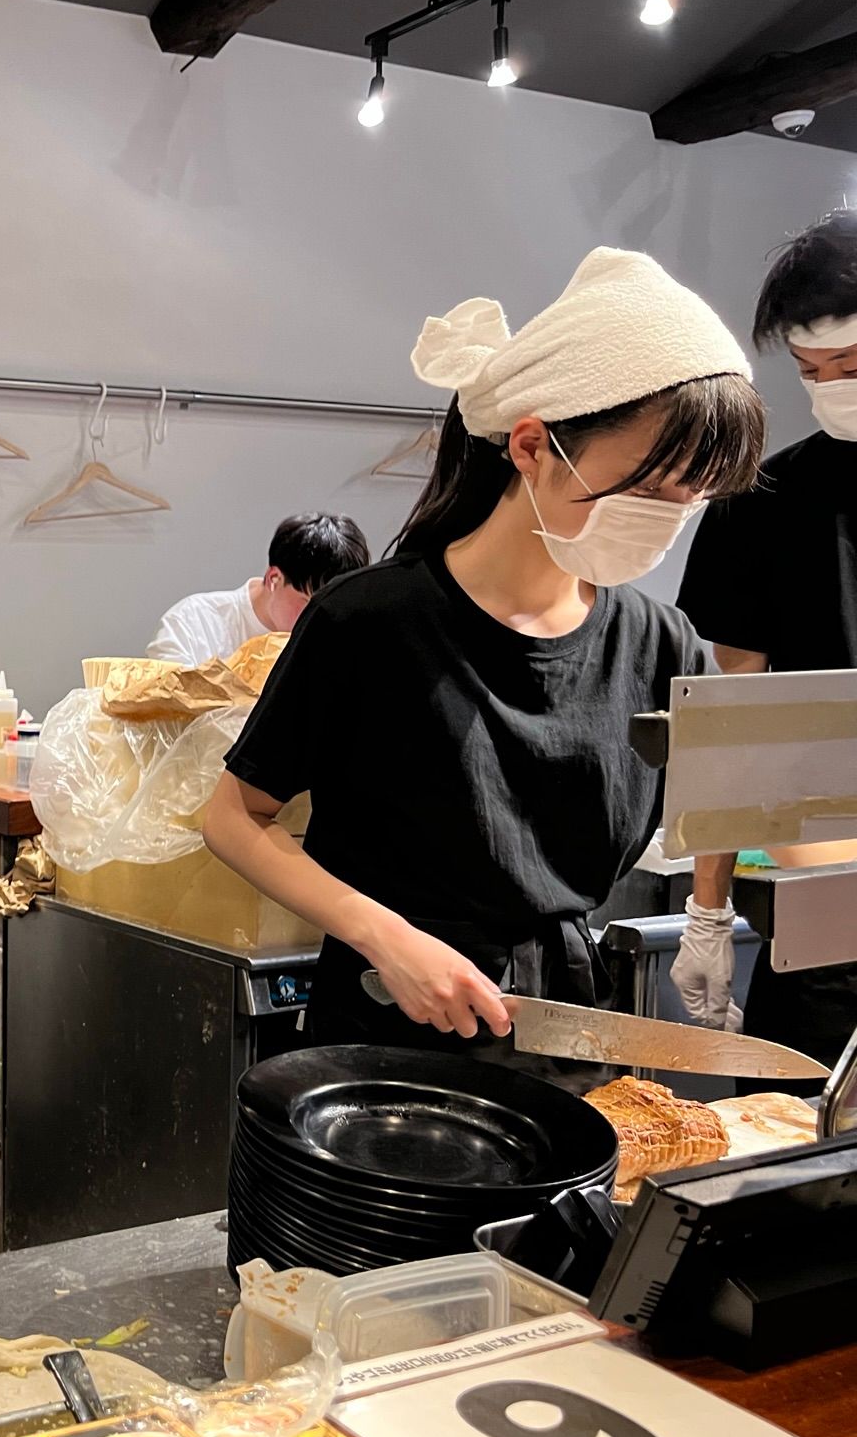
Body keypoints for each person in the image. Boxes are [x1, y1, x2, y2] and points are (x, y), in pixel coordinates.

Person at [201, 248, 764, 1054]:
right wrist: (387, 939)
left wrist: (710, 918)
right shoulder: (370, 621)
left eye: (691, 500)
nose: (665, 522)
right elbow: (233, 817)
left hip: (563, 1033)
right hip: (384, 1037)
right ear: (531, 446)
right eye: (646, 491)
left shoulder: (659, 643)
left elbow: (724, 804)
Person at [673, 208, 857, 1066]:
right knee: (795, 1162)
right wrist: (708, 906)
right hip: (824, 915)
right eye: (813, 370)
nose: (831, 387)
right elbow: (734, 717)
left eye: (851, 363)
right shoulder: (766, 504)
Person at [146, 514, 368, 666]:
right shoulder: (193, 622)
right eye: (308, 603)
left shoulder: (342, 635)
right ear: (274, 578)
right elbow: (165, 714)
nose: (317, 620)